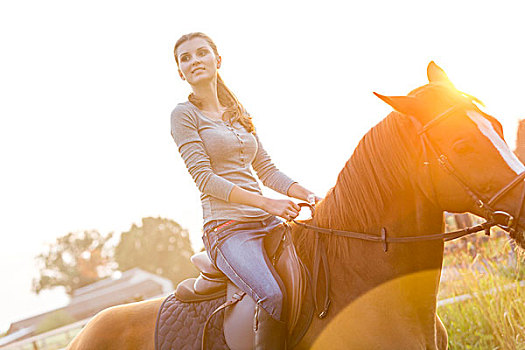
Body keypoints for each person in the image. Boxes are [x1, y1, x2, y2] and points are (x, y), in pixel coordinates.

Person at [170, 32, 320, 350]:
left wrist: (308, 195)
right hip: (227, 230)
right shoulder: (183, 115)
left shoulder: (238, 112)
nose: (194, 60)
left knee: (317, 271)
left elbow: (267, 170)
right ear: (180, 72)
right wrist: (268, 204)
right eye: (186, 58)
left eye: (201, 53)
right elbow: (205, 179)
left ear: (217, 59)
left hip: (267, 221)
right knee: (273, 294)